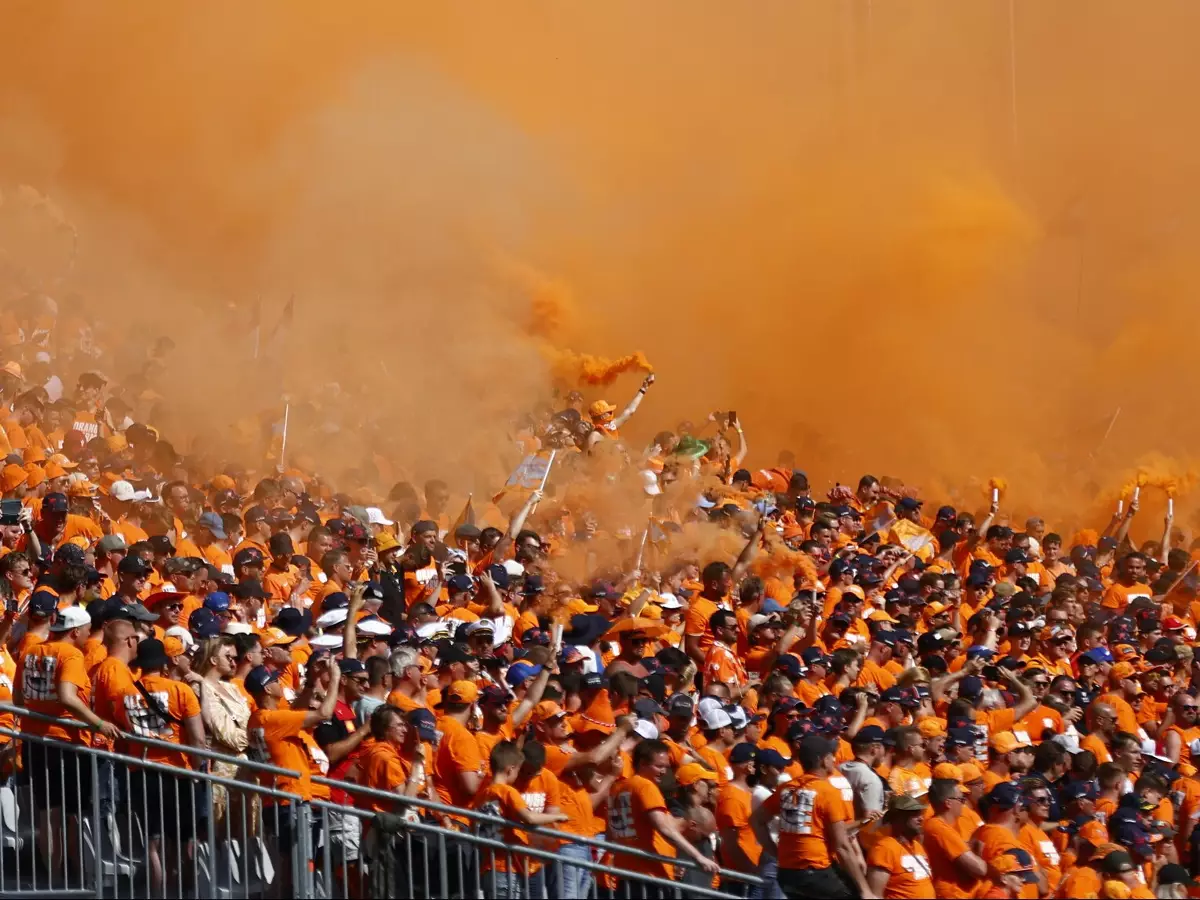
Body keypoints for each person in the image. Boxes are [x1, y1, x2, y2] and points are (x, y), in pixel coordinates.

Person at [15, 604, 120, 880]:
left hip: (34, 741)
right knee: (71, 814)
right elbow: (67, 697)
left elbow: (17, 699)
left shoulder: (30, 651)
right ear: (75, 632)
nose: (88, 635)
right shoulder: (71, 653)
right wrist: (99, 723)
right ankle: (73, 877)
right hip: (66, 746)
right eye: (86, 630)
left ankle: (54, 879)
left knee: (48, 814)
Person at [112, 637, 205, 894]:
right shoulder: (181, 690)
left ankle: (157, 893)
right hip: (179, 773)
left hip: (142, 772)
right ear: (164, 663)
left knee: (153, 841)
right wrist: (199, 768)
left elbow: (124, 726)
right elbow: (197, 737)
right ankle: (179, 891)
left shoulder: (125, 693)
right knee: (180, 837)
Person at [752, 734, 871, 899]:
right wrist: (865, 890)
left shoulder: (787, 788)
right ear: (822, 760)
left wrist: (775, 852)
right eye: (831, 756)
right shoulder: (828, 792)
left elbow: (757, 820)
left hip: (787, 872)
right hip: (814, 870)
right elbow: (842, 845)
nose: (834, 760)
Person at [607, 738, 720, 894]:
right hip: (647, 876)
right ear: (642, 764)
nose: (664, 771)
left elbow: (611, 834)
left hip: (626, 873)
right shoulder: (645, 786)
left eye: (666, 767)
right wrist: (697, 857)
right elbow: (665, 828)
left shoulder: (617, 788)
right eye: (658, 766)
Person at [865, 793, 935, 898]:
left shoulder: (917, 846)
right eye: (914, 814)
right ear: (898, 818)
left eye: (920, 813)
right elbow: (874, 895)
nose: (921, 818)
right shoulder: (884, 848)